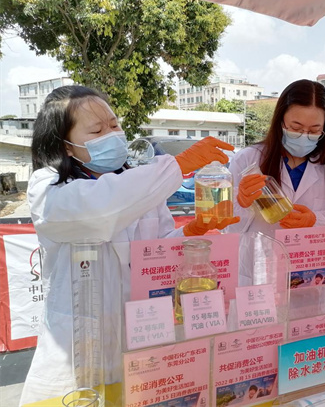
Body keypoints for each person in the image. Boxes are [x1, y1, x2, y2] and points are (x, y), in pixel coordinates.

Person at [20, 85, 238, 403]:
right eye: (97, 130)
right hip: (77, 352)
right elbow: (100, 211)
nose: (112, 135)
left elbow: (156, 254)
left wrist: (192, 231)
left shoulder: (141, 184)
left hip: (141, 340)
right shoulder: (48, 187)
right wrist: (176, 166)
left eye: (114, 125)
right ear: (66, 145)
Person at [226, 79, 325, 235]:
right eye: (295, 127)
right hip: (259, 250)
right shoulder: (247, 159)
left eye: (314, 130)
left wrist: (316, 221)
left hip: (309, 251)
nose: (304, 136)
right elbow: (226, 228)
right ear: (281, 121)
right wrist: (242, 203)